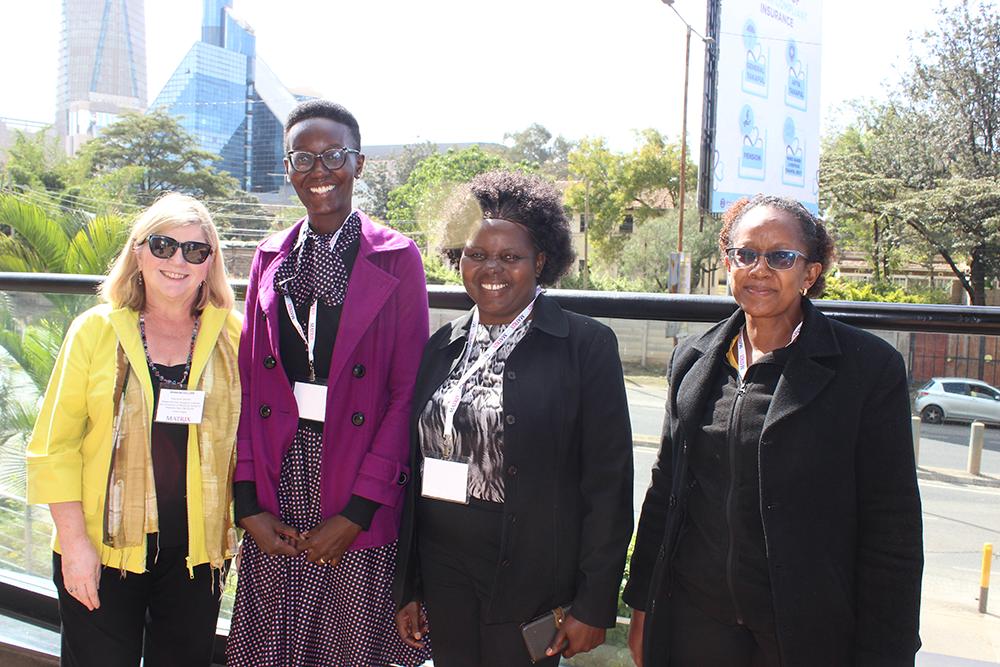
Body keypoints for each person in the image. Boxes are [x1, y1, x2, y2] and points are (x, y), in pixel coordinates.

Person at [623, 195, 923, 666]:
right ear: (728, 263)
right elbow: (666, 491)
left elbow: (893, 530)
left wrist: (888, 651)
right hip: (696, 624)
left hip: (804, 633)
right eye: (745, 254)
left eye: (781, 257)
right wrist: (643, 605)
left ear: (810, 274)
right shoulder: (693, 360)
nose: (760, 269)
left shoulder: (867, 369)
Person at [393, 170, 634, 667]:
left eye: (510, 257)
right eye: (476, 255)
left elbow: (609, 483)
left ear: (540, 262)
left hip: (528, 574)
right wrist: (409, 584)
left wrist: (593, 602)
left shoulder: (586, 345)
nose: (491, 269)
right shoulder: (442, 345)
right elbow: (412, 474)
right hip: (443, 569)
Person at [226, 99, 431, 667]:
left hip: (355, 476)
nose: (319, 170)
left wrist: (359, 513)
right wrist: (247, 504)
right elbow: (250, 384)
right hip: (281, 478)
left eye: (334, 155)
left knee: (348, 647)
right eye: (303, 158)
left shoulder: (397, 258)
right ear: (288, 169)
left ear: (358, 164)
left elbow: (403, 394)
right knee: (273, 645)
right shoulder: (270, 257)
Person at [26, 193, 242, 667]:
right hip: (102, 548)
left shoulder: (234, 337)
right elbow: (53, 447)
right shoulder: (94, 330)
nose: (177, 261)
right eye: (163, 245)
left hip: (196, 554)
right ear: (138, 251)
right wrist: (75, 546)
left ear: (211, 263)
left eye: (194, 251)